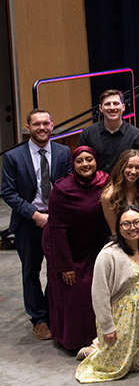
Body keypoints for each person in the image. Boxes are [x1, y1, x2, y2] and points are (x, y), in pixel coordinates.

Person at [1, 109, 71, 339]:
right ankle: (39, 319)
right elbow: (8, 193)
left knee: (57, 268)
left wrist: (57, 215)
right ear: (28, 127)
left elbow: (69, 184)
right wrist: (34, 214)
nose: (41, 128)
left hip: (57, 221)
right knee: (31, 271)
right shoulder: (13, 157)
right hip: (28, 222)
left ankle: (52, 313)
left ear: (52, 126)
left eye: (46, 124)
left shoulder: (63, 152)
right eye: (36, 124)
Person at [75, 206, 139, 382]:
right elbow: (99, 292)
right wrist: (107, 325)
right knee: (114, 367)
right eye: (126, 224)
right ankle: (91, 351)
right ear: (118, 228)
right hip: (120, 313)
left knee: (136, 362)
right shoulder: (108, 254)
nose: (132, 228)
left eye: (136, 222)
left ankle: (97, 346)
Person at [42, 146, 110, 351]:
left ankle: (93, 337)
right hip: (64, 248)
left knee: (93, 290)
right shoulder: (62, 190)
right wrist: (66, 266)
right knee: (74, 292)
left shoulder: (105, 182)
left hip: (91, 245)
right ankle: (72, 340)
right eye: (80, 161)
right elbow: (57, 230)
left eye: (89, 159)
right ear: (73, 165)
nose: (85, 164)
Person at [78, 89, 139, 173]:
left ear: (123, 107)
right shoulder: (88, 133)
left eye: (116, 104)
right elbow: (80, 163)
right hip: (94, 184)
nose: (112, 108)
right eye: (107, 104)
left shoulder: (137, 135)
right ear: (100, 108)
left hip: (124, 184)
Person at [101, 149, 139, 233]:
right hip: (124, 239)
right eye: (129, 166)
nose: (133, 171)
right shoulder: (109, 196)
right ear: (121, 167)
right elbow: (115, 231)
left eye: (137, 168)